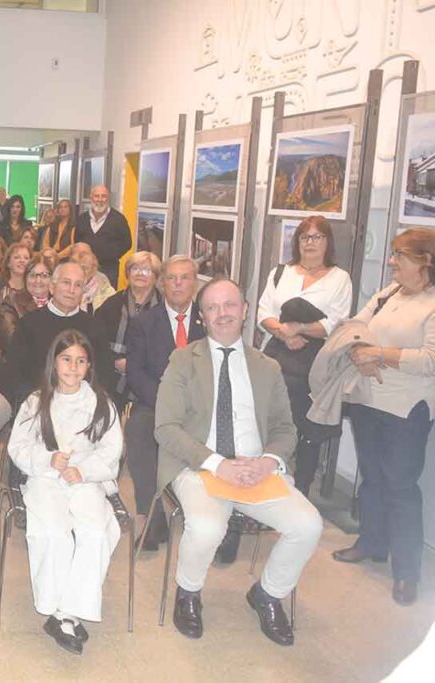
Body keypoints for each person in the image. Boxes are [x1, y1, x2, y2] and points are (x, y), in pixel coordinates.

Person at [155, 277, 322, 646]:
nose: (222, 313)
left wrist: (268, 460)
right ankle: (188, 593)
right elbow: (166, 428)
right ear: (201, 317)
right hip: (199, 467)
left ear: (245, 310)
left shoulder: (267, 366)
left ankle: (268, 593)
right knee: (206, 526)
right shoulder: (183, 360)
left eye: (230, 305)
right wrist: (217, 463)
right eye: (212, 307)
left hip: (256, 469)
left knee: (308, 524)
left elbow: (284, 428)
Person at [332, 228, 435, 606]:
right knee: (372, 477)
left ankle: (407, 571)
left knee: (402, 486)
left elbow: (430, 360)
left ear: (425, 261)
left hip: (406, 409)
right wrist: (359, 350)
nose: (391, 262)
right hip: (367, 399)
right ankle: (371, 542)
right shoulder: (388, 294)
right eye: (392, 254)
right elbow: (353, 327)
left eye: (400, 256)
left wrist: (380, 354)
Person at [7, 329, 122, 654]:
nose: (73, 368)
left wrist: (83, 470)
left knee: (96, 531)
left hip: (85, 480)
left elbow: (112, 450)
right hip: (45, 478)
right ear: (54, 363)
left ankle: (64, 613)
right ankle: (60, 610)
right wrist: (48, 459)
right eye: (66, 360)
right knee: (55, 532)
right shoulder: (36, 402)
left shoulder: (101, 403)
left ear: (89, 366)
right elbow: (18, 447)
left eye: (81, 361)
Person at [256, 216, 352, 496]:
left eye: (316, 237)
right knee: (269, 421)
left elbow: (336, 322)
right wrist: (284, 333)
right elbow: (264, 312)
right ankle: (263, 485)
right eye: (304, 237)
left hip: (313, 363)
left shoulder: (339, 279)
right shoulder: (280, 272)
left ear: (327, 242)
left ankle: (300, 490)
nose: (310, 243)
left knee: (306, 427)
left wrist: (300, 328)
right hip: (276, 355)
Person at [124, 255, 205, 552]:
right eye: (172, 278)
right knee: (137, 430)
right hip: (154, 403)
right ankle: (152, 513)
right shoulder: (144, 322)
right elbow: (135, 372)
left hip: (200, 408)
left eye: (185, 277)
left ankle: (225, 522)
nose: (179, 283)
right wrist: (166, 405)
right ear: (162, 284)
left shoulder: (209, 320)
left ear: (195, 283)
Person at [4, 262, 98, 408]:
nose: (71, 290)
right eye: (66, 283)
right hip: (37, 405)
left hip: (83, 405)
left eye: (78, 285)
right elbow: (14, 374)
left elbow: (103, 375)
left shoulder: (93, 327)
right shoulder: (28, 324)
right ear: (52, 287)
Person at [93, 251, 161, 408]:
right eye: (135, 269)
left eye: (147, 270)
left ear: (156, 276)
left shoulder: (164, 308)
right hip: (111, 382)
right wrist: (115, 362)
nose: (140, 274)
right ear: (127, 273)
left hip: (152, 386)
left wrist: (136, 367)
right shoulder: (110, 306)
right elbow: (96, 344)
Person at [0, 255, 54, 372]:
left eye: (44, 275)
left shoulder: (58, 303)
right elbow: (10, 341)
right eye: (33, 275)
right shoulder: (11, 301)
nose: (38, 281)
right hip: (21, 369)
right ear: (25, 278)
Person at [74, 186, 132, 289]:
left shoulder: (119, 219)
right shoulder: (82, 219)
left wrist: (111, 255)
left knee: (107, 301)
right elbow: (77, 240)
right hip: (85, 269)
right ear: (91, 198)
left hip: (109, 270)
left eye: (103, 196)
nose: (100, 200)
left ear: (108, 198)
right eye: (97, 196)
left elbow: (127, 243)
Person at [0, 242, 31, 319]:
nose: (22, 261)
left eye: (26, 258)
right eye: (17, 257)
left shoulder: (33, 289)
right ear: (8, 263)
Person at [70, 242, 115, 314]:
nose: (81, 258)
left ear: (94, 260)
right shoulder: (65, 282)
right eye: (78, 254)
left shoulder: (102, 281)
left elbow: (112, 307)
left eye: (84, 254)